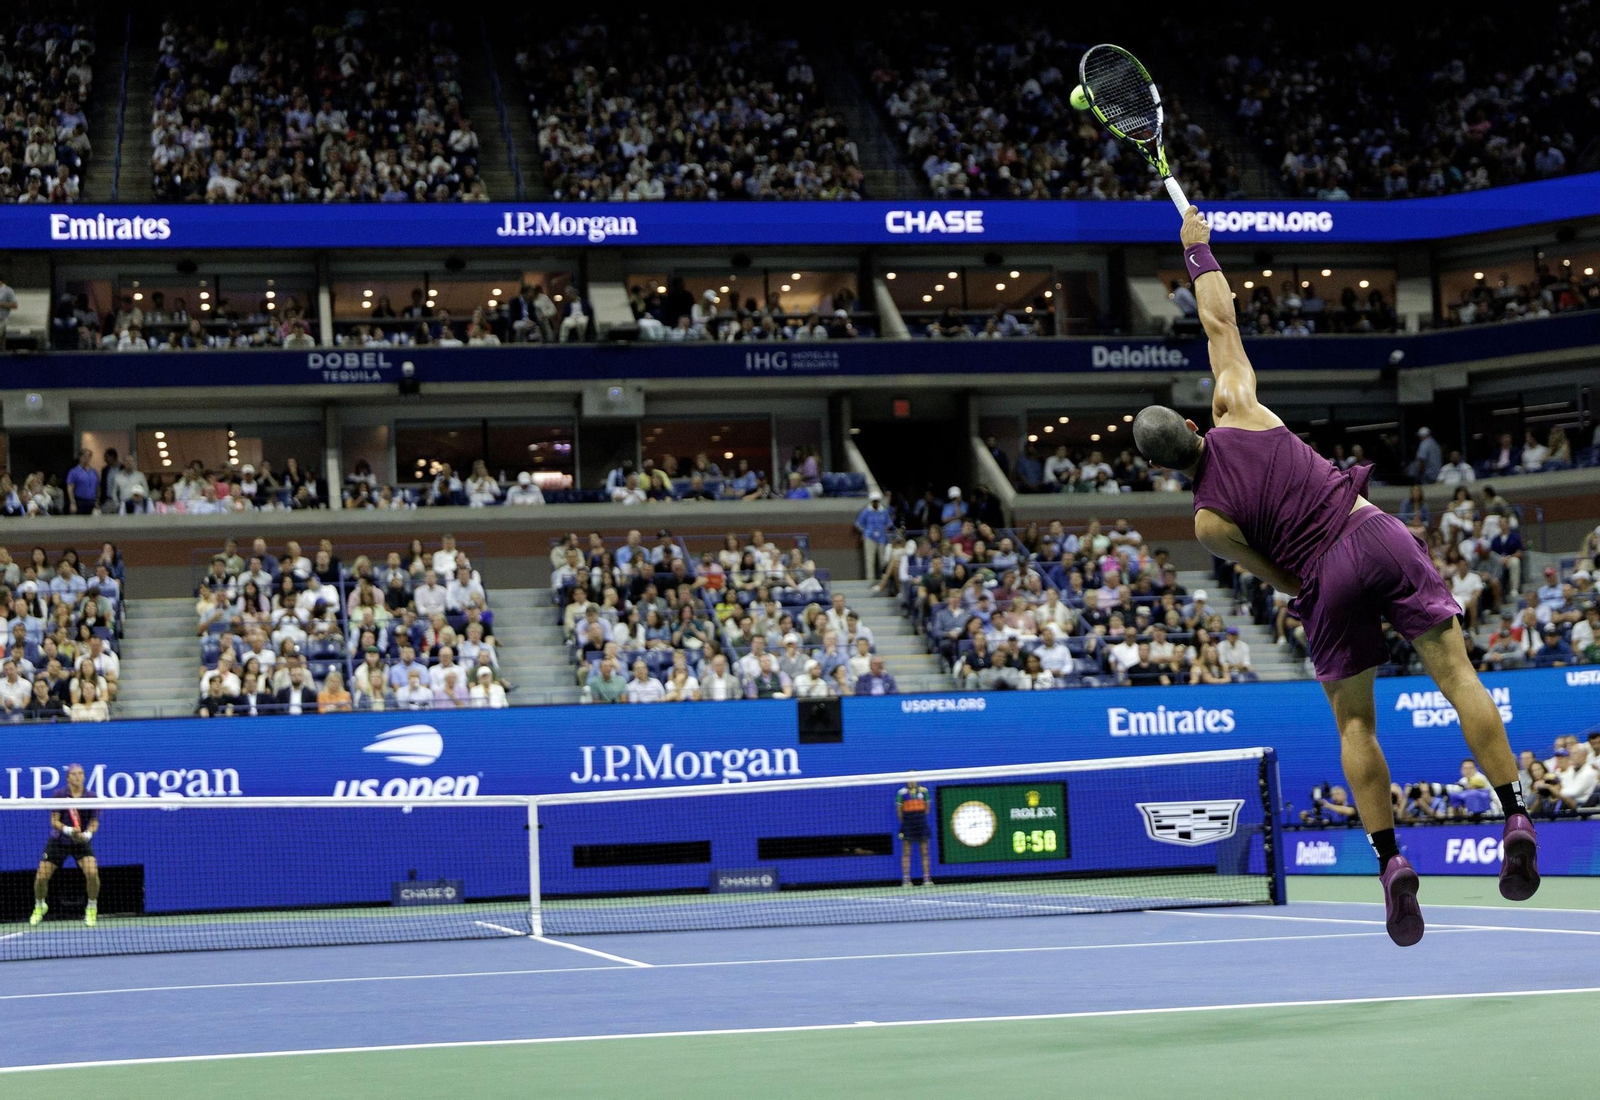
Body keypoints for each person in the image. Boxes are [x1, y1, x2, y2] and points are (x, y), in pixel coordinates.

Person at [1130, 205, 1538, 947]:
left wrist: (1316, 583)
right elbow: (1219, 322)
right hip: (1373, 530)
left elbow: (1283, 580)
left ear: (1163, 470)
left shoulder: (1207, 524)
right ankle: (1513, 814)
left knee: (1355, 724)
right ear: (1192, 425)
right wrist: (1197, 249)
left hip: (1324, 577)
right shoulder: (1238, 406)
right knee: (1459, 677)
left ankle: (1390, 862)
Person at [30, 763, 101, 927]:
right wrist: (69, 831)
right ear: (68, 778)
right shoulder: (60, 795)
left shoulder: (91, 797)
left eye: (81, 773)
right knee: (41, 876)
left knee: (92, 873)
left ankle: (91, 907)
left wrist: (86, 835)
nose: (78, 777)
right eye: (74, 774)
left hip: (81, 842)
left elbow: (94, 823)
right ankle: (40, 906)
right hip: (59, 841)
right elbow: (54, 821)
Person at [896, 772, 933, 887]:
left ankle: (926, 879)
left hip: (921, 824)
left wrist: (919, 818)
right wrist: (907, 821)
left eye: (914, 778)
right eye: (909, 778)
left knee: (925, 852)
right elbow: (899, 812)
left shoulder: (924, 791)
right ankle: (906, 879)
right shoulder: (901, 793)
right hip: (907, 825)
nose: (912, 780)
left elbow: (927, 809)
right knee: (906, 853)